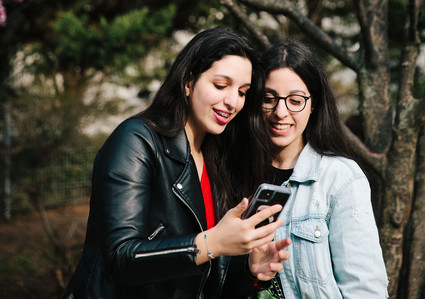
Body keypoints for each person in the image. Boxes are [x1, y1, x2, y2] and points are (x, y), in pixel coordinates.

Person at [63, 27, 290, 299]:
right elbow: (120, 258)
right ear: (188, 81)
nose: (232, 101)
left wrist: (250, 271)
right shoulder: (137, 141)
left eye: (242, 92)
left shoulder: (217, 159)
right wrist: (211, 242)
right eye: (220, 85)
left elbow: (206, 278)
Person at [258, 40, 388, 298]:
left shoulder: (340, 179)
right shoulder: (236, 173)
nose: (280, 112)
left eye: (295, 101)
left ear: (313, 104)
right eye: (268, 99)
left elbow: (364, 290)